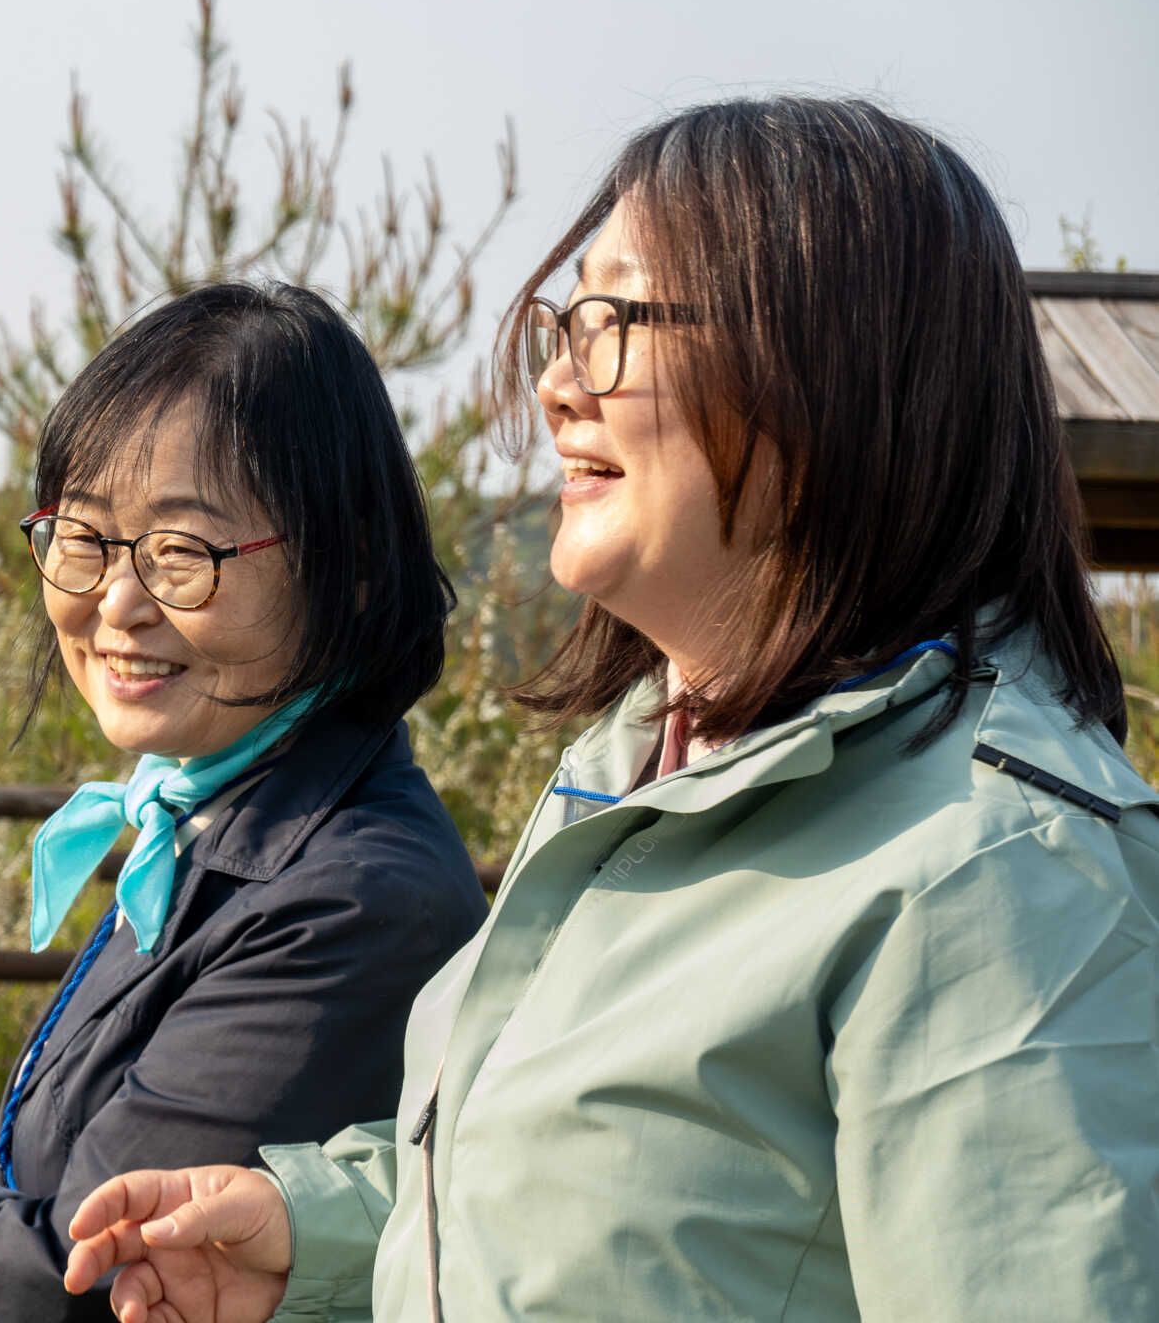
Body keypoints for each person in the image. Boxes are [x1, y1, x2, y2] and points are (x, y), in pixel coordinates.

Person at [64, 96, 1159, 1322]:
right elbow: (610, 1200)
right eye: (563, 323)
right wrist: (308, 1233)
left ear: (832, 370)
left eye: (615, 323)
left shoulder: (1002, 870)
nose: (556, 385)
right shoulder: (642, 761)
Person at [0, 282, 490, 1323]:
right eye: (83, 539)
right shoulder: (216, 816)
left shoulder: (352, 899)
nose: (116, 604)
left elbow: (91, 1272)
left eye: (181, 552)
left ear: (346, 567)